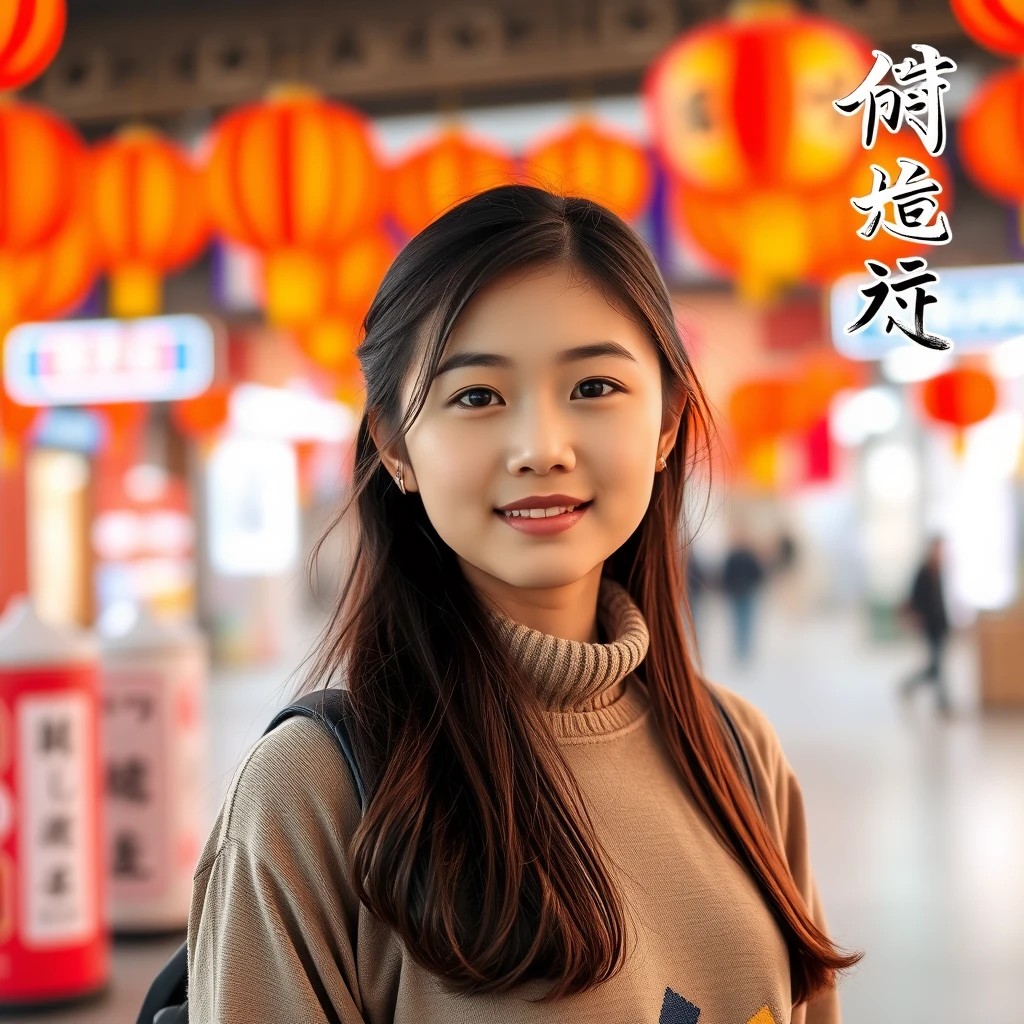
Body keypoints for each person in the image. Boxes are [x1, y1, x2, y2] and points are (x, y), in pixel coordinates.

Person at [188, 186, 859, 1023]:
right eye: (476, 396)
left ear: (666, 424)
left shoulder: (740, 756)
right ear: (396, 446)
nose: (542, 447)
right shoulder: (313, 796)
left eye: (594, 387)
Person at [900, 537, 952, 714]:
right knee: (937, 666)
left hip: (941, 624)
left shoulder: (939, 570)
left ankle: (908, 686)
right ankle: (943, 703)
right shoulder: (923, 572)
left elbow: (941, 601)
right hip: (930, 626)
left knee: (934, 668)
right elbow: (915, 599)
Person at [721, 525, 767, 663]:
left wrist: (752, 585)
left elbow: (758, 574)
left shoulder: (750, 556)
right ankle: (739, 648)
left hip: (748, 594)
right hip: (736, 594)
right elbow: (726, 575)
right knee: (737, 621)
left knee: (747, 622)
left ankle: (746, 648)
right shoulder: (732, 556)